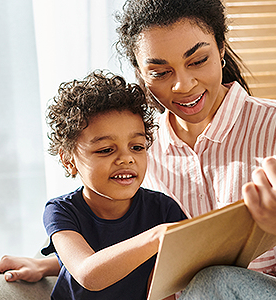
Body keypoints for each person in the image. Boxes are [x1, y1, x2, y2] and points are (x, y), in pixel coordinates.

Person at [0, 0, 276, 299]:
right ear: (140, 73)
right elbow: (142, 252)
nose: (183, 85)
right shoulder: (141, 150)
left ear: (222, 50)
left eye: (198, 60)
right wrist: (55, 265)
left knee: (211, 281)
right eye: (161, 72)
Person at [38, 70, 186, 299]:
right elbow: (88, 274)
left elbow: (166, 290)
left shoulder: (164, 210)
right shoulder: (61, 211)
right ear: (68, 160)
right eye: (106, 150)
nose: (127, 159)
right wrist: (157, 237)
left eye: (137, 147)